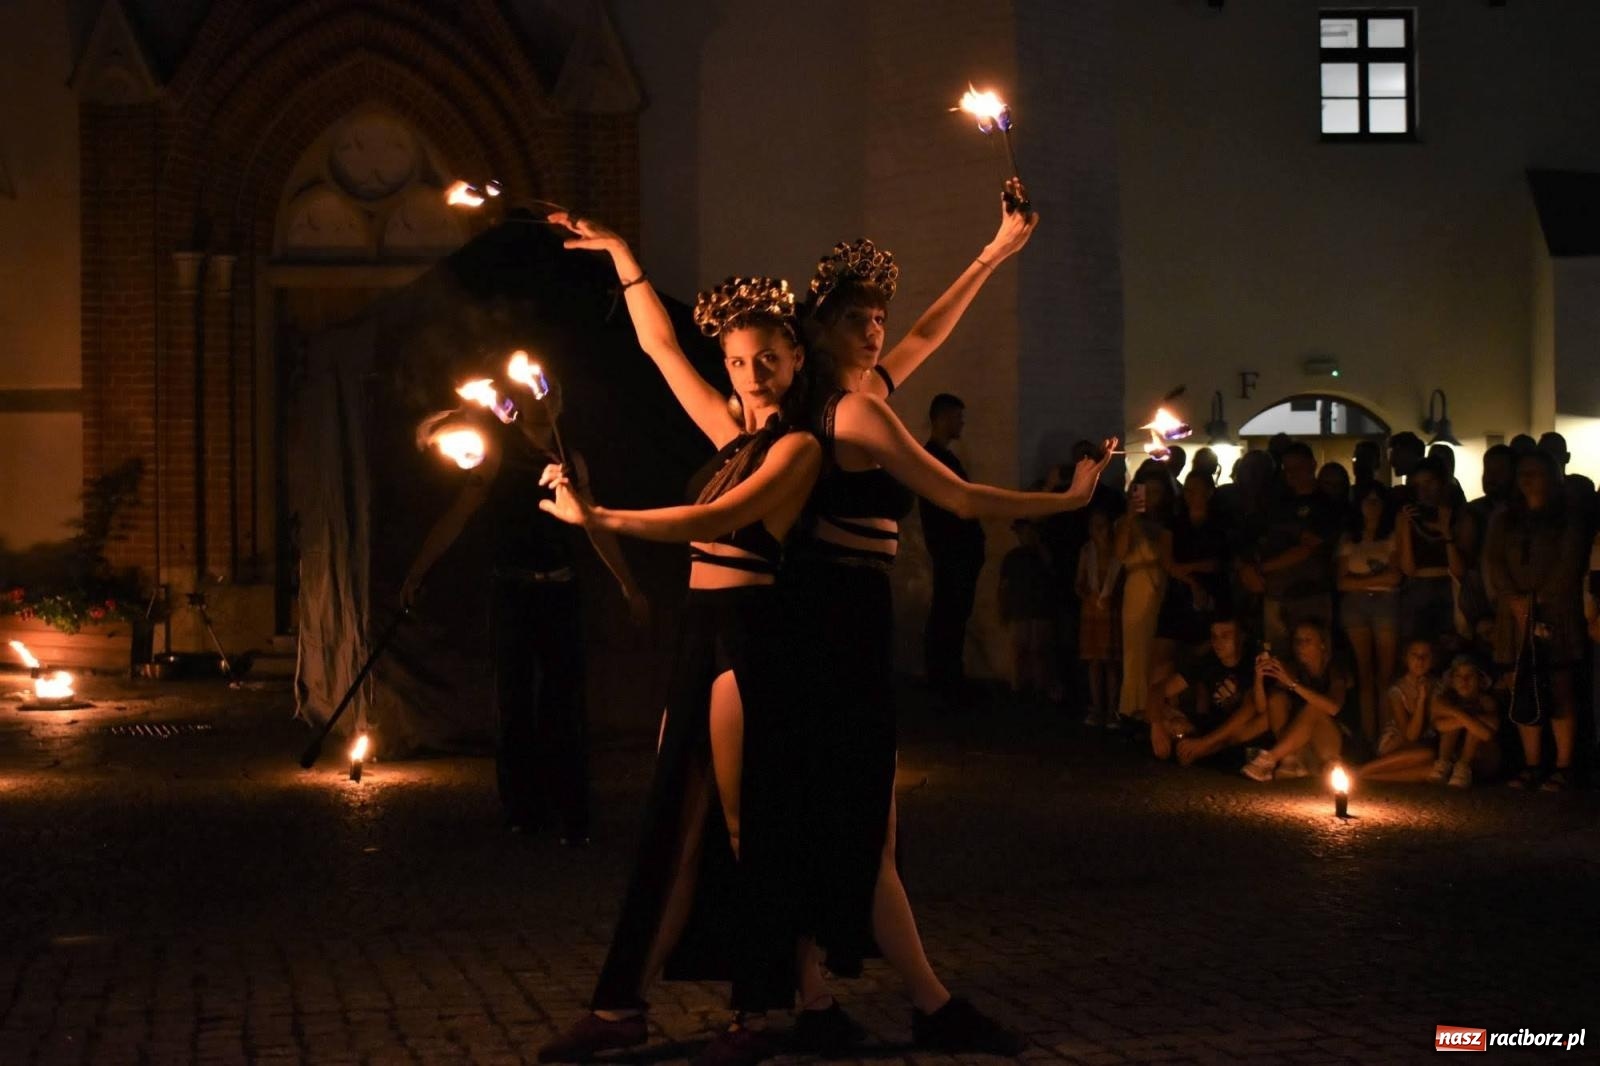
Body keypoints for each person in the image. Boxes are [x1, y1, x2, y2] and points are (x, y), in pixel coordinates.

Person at [790, 202, 1114, 1056]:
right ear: (820, 329)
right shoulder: (852, 414)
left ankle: (817, 993)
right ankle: (925, 1004)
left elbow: (927, 334)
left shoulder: (855, 397)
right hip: (835, 623)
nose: (875, 332)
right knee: (863, 821)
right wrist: (1064, 501)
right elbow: (961, 498)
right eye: (857, 320)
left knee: (841, 813)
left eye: (878, 318)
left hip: (839, 619)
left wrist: (992, 253)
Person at [538, 215, 823, 1066]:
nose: (750, 374)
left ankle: (762, 1011)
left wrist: (600, 517)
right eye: (736, 361)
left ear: (795, 358)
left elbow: (713, 520)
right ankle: (619, 1006)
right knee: (673, 820)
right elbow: (662, 351)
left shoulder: (799, 449)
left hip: (752, 637)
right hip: (702, 632)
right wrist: (623, 257)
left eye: (766, 358)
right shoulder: (733, 437)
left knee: (745, 826)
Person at [402, 391, 645, 844]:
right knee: (513, 702)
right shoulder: (497, 457)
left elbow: (595, 525)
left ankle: (570, 811)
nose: (541, 403)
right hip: (512, 592)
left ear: (559, 405)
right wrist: (419, 569)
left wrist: (628, 585)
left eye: (549, 395)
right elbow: (459, 514)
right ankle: (522, 811)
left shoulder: (570, 461)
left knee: (563, 704)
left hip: (560, 591)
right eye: (532, 396)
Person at [1484, 449, 1587, 792]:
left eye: (1535, 473)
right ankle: (1531, 763)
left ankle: (1563, 765)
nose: (1527, 479)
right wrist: (1513, 599)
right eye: (1522, 473)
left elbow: (1569, 564)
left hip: (1554, 612)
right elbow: (1494, 560)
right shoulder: (1504, 519)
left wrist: (1536, 601)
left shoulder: (1567, 519)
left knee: (1558, 686)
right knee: (1522, 685)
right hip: (1513, 614)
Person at [919, 393, 986, 705]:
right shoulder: (936, 459)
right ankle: (946, 683)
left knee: (950, 616)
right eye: (958, 417)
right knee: (949, 617)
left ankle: (947, 680)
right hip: (952, 553)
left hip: (954, 552)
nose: (962, 423)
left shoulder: (938, 458)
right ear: (943, 418)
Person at [1240, 620, 1368, 781]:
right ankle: (1289, 761)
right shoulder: (1294, 669)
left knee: (1313, 708)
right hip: (1304, 747)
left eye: (1307, 640)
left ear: (1322, 644)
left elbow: (1333, 707)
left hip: (1334, 745)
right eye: (1297, 640)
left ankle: (1268, 760)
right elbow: (1262, 708)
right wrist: (1259, 678)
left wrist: (1292, 684)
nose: (1300, 646)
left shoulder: (1336, 669)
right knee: (1277, 699)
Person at [1243, 442, 1340, 648]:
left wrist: (1261, 569)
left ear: (1312, 465)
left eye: (1298, 467)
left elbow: (1306, 549)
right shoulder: (1277, 503)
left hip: (1310, 594)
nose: (1292, 474)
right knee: (1277, 653)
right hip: (1276, 592)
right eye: (1287, 469)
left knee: (1312, 653)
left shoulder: (1326, 505)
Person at [1337, 482, 1401, 742]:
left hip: (1385, 604)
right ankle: (1368, 736)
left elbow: (1396, 576)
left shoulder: (1391, 537)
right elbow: (1341, 581)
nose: (1372, 505)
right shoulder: (1349, 538)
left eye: (1377, 500)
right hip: (1356, 607)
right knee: (1364, 674)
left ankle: (1386, 735)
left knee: (1385, 675)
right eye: (1367, 500)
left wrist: (1358, 581)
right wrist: (1376, 580)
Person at [1115, 461, 1176, 724]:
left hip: (1162, 586)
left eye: (1156, 493)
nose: (1151, 498)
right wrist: (1130, 519)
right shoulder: (1127, 523)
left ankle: (1155, 710)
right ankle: (1133, 709)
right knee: (1135, 651)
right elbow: (1120, 554)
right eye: (1146, 492)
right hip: (1137, 589)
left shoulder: (1169, 525)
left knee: (1158, 651)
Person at [1153, 469, 1227, 680]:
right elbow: (1167, 562)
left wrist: (1188, 568)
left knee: (1199, 662)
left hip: (1210, 595)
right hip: (1178, 594)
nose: (1190, 494)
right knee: (1162, 659)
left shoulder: (1218, 523)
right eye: (1187, 489)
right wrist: (1192, 580)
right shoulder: (1174, 523)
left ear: (1209, 492)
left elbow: (1218, 562)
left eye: (1196, 489)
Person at [1147, 616, 1255, 762]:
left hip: (1241, 729)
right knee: (1165, 717)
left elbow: (1249, 710)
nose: (1218, 642)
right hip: (1214, 725)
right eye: (1214, 636)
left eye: (1225, 636)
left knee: (1248, 727)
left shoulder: (1250, 662)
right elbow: (1158, 690)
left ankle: (1205, 750)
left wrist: (1204, 743)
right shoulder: (1208, 661)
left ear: (1241, 637)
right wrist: (1157, 725)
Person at [1397, 457, 1462, 652]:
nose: (1424, 490)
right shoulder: (1407, 517)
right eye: (1418, 485)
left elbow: (1459, 570)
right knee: (1417, 650)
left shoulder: (1457, 516)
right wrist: (1406, 526)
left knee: (1448, 649)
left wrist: (1446, 531)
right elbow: (1408, 568)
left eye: (1429, 482)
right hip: (1417, 590)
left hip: (1449, 589)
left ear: (1442, 483)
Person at [999, 519, 1054, 699]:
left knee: (1038, 650)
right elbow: (1004, 586)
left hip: (1040, 609)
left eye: (1029, 531)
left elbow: (1051, 570)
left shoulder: (1042, 554)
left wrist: (1040, 547)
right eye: (1022, 532)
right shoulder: (1012, 557)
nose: (1025, 535)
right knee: (1019, 650)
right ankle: (1018, 687)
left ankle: (1039, 687)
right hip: (1020, 610)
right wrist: (1003, 608)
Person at [1076, 507, 1122, 726]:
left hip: (1111, 611)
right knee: (1094, 661)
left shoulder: (1118, 552)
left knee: (1110, 662)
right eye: (1095, 526)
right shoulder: (1087, 551)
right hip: (1092, 611)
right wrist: (1090, 597)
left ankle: (1112, 709)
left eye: (1102, 525)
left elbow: (1122, 582)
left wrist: (1110, 598)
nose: (1099, 530)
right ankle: (1096, 707)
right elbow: (1079, 583)